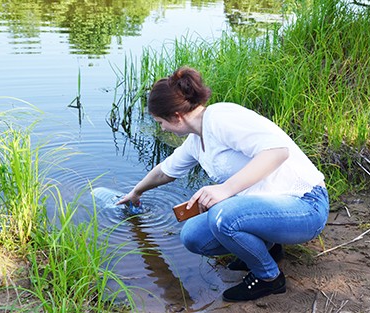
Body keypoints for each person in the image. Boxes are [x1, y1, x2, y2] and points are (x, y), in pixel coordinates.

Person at [117, 66, 330, 302]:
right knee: (192, 236)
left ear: (176, 117)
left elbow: (278, 152)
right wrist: (136, 192)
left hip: (306, 205)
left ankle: (269, 278)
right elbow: (164, 172)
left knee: (222, 216)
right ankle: (268, 248)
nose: (161, 128)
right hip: (269, 208)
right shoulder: (196, 141)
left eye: (160, 122)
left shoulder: (221, 117)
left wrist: (225, 190)